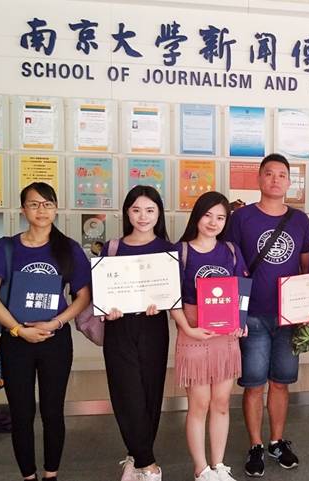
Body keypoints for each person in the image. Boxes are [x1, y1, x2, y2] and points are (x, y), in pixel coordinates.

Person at [0, 182, 91, 481]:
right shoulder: (6, 247)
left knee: (53, 412)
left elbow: (83, 296)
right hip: (16, 341)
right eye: (34, 204)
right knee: (21, 413)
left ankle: (51, 474)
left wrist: (56, 322)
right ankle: (28, 476)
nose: (41, 210)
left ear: (56, 209)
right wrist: (17, 329)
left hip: (55, 340)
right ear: (23, 209)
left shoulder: (69, 248)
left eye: (47, 204)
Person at [225, 153, 309, 478]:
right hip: (251, 315)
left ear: (289, 182)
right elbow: (229, 264)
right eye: (269, 173)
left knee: (281, 382)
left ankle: (277, 441)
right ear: (259, 179)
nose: (275, 179)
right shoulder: (241, 218)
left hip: (288, 316)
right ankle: (255, 445)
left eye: (282, 175)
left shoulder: (300, 220)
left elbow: (307, 267)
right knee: (253, 384)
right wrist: (233, 315)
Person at [171, 191, 249, 481]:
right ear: (197, 216)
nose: (213, 222)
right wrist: (187, 328)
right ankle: (201, 469)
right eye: (207, 215)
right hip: (193, 333)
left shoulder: (230, 250)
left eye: (220, 217)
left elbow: (242, 289)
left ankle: (218, 465)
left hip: (225, 336)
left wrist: (241, 322)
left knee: (221, 402)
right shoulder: (181, 251)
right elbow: (171, 297)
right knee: (199, 403)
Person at [102, 185, 173, 481]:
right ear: (127, 212)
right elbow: (101, 292)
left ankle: (136, 457)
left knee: (150, 394)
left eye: (150, 210)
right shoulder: (112, 247)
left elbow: (173, 294)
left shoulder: (169, 250)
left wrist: (164, 302)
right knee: (126, 394)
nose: (143, 216)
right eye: (136, 210)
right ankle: (149, 465)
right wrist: (107, 309)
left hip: (153, 327)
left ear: (158, 214)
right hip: (119, 327)